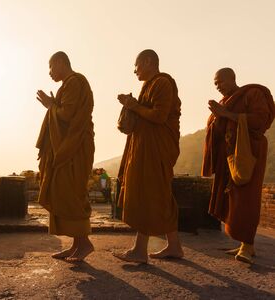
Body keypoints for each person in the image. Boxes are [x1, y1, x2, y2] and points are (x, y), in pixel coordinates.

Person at [115, 49, 183, 263]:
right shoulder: (148, 86)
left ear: (147, 61)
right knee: (158, 196)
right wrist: (131, 105)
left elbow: (160, 116)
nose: (134, 70)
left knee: (150, 194)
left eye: (136, 65)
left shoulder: (162, 83)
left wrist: (133, 105)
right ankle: (173, 246)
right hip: (147, 147)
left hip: (157, 149)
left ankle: (139, 250)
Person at [201, 68, 275, 264]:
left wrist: (226, 114)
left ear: (232, 78)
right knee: (232, 200)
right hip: (228, 157)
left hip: (249, 153)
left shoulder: (252, 93)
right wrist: (216, 119)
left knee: (246, 198)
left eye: (220, 82)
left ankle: (248, 246)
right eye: (215, 84)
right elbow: (218, 129)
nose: (218, 86)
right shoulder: (225, 102)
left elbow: (261, 120)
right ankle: (243, 243)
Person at [36, 51, 95, 262]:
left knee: (71, 193)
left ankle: (85, 243)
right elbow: (63, 112)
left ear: (61, 63)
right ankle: (76, 245)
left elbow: (67, 115)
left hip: (74, 147)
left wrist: (51, 106)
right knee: (66, 192)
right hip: (68, 147)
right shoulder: (67, 85)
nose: (50, 72)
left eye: (51, 67)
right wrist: (53, 104)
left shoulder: (74, 82)